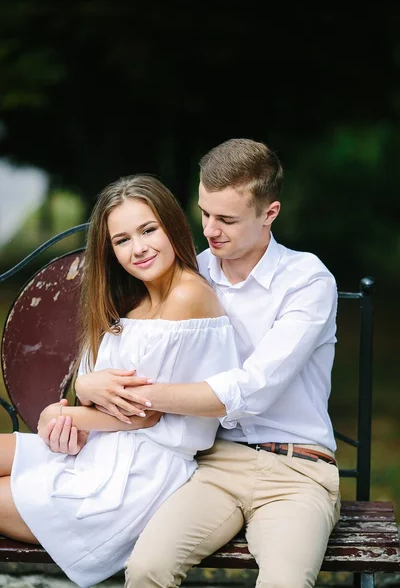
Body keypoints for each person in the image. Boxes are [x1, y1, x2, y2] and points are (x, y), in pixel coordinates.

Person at [47, 138, 340, 588]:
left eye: (227, 219)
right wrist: (86, 387)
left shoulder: (307, 281)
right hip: (213, 465)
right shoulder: (194, 274)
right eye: (204, 213)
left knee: (284, 582)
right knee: (148, 569)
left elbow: (254, 389)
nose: (211, 229)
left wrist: (135, 395)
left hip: (296, 471)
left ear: (270, 213)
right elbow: (126, 348)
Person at [0, 174, 240, 588]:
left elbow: (143, 415)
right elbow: (106, 390)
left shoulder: (187, 295)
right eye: (122, 239)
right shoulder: (136, 298)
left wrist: (61, 414)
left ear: (172, 226)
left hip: (137, 475)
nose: (139, 248)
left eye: (149, 230)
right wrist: (84, 392)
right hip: (102, 449)